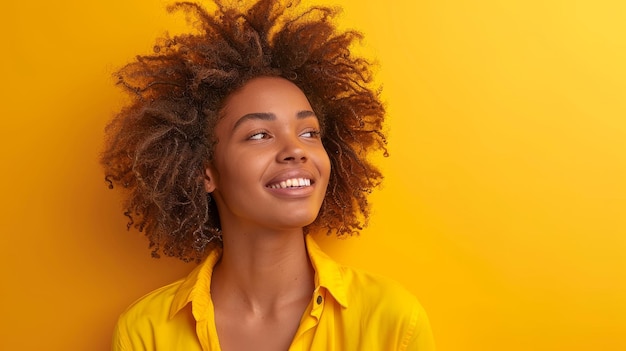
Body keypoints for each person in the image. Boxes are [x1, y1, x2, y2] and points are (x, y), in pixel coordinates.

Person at [102, 0, 435, 349]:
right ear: (204, 171)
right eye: (259, 134)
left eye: (309, 133)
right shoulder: (145, 331)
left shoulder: (392, 322)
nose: (297, 149)